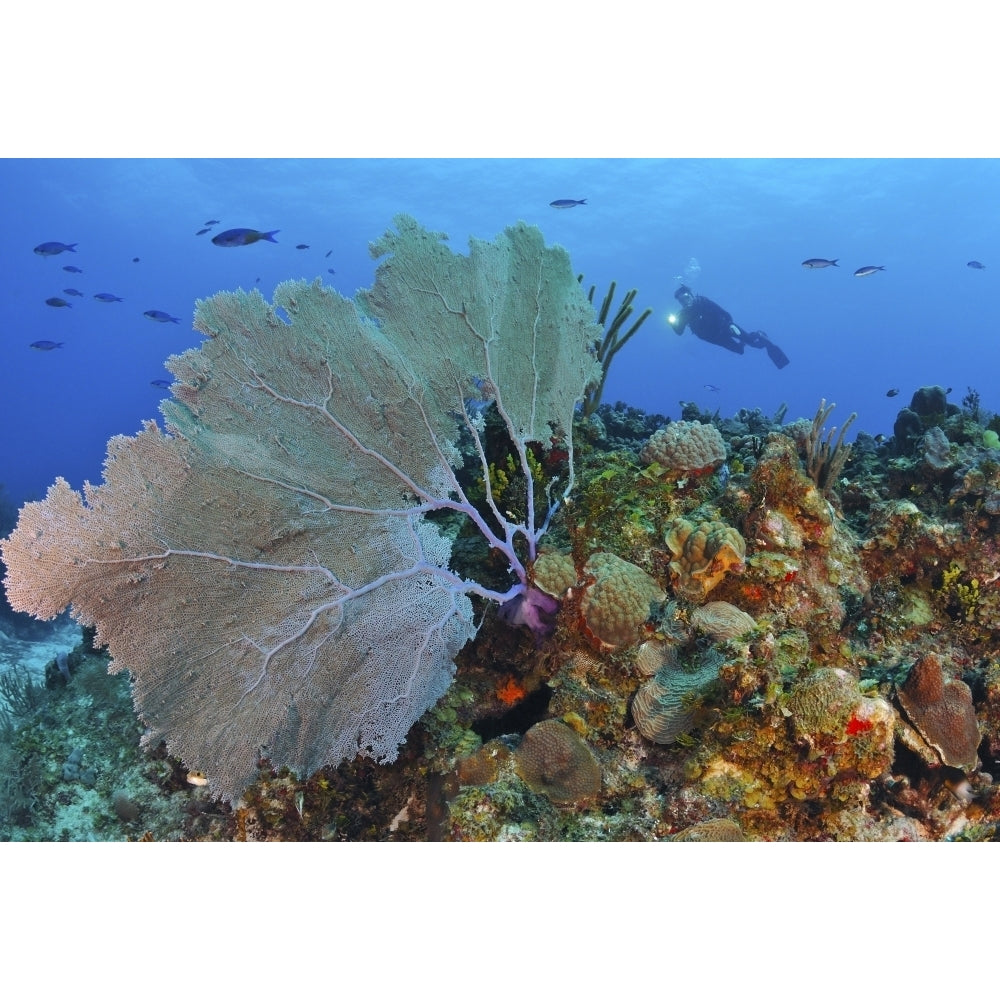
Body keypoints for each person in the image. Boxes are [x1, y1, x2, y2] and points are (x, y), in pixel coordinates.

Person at [667, 285, 789, 369]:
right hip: (715, 338)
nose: (685, 301)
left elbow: (724, 312)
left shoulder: (701, 301)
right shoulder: (683, 315)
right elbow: (679, 332)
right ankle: (744, 341)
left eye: (686, 297)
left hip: (725, 327)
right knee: (740, 351)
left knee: (753, 343)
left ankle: (758, 335)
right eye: (681, 300)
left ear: (691, 295)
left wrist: (730, 324)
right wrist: (672, 324)